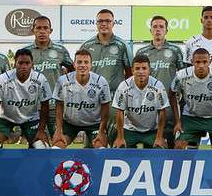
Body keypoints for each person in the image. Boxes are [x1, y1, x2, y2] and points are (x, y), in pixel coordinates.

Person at [79, 9, 133, 145]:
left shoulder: (122, 46)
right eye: (100, 21)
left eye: (107, 21)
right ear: (96, 23)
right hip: (92, 101)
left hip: (114, 101)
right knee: (93, 143)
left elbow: (130, 74)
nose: (104, 24)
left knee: (115, 141)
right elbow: (81, 73)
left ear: (113, 23)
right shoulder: (87, 45)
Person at [0, 49, 51, 148]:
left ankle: (32, 161)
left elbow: (45, 105)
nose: (24, 66)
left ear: (32, 64)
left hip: (31, 118)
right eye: (20, 63)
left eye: (27, 63)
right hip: (5, 118)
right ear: (15, 64)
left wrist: (41, 130)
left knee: (42, 147)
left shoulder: (40, 79)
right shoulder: (4, 78)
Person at [134, 15, 186, 148]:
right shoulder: (142, 51)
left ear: (167, 30)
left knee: (175, 143)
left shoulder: (175, 50)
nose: (158, 29)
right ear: (150, 30)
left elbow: (182, 77)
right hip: (150, 104)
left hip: (171, 104)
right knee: (152, 144)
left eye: (161, 27)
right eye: (155, 26)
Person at [171, 48, 212, 149]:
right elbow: (171, 93)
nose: (201, 65)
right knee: (179, 146)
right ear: (192, 62)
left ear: (210, 62)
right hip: (191, 117)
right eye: (197, 62)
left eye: (204, 62)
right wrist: (177, 121)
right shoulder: (181, 75)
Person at [20, 15, 73, 137]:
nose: (42, 31)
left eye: (45, 28)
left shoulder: (61, 50)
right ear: (33, 30)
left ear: (50, 30)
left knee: (58, 141)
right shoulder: (25, 52)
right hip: (33, 107)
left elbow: (72, 70)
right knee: (36, 143)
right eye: (38, 28)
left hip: (55, 107)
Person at [51, 50, 112, 148]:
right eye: (79, 62)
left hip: (94, 124)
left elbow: (105, 108)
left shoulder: (101, 81)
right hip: (70, 123)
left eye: (86, 62)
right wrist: (58, 130)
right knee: (56, 147)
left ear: (91, 65)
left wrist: (101, 131)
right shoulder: (63, 80)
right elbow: (59, 105)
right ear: (74, 65)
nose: (82, 65)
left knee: (100, 148)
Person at [112, 54, 168, 149]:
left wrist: (159, 137)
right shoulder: (124, 86)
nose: (141, 72)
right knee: (118, 149)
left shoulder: (158, 86)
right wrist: (120, 137)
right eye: (137, 68)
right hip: (130, 129)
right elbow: (119, 111)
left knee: (160, 150)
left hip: (152, 130)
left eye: (144, 68)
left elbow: (162, 112)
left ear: (149, 70)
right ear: (132, 70)